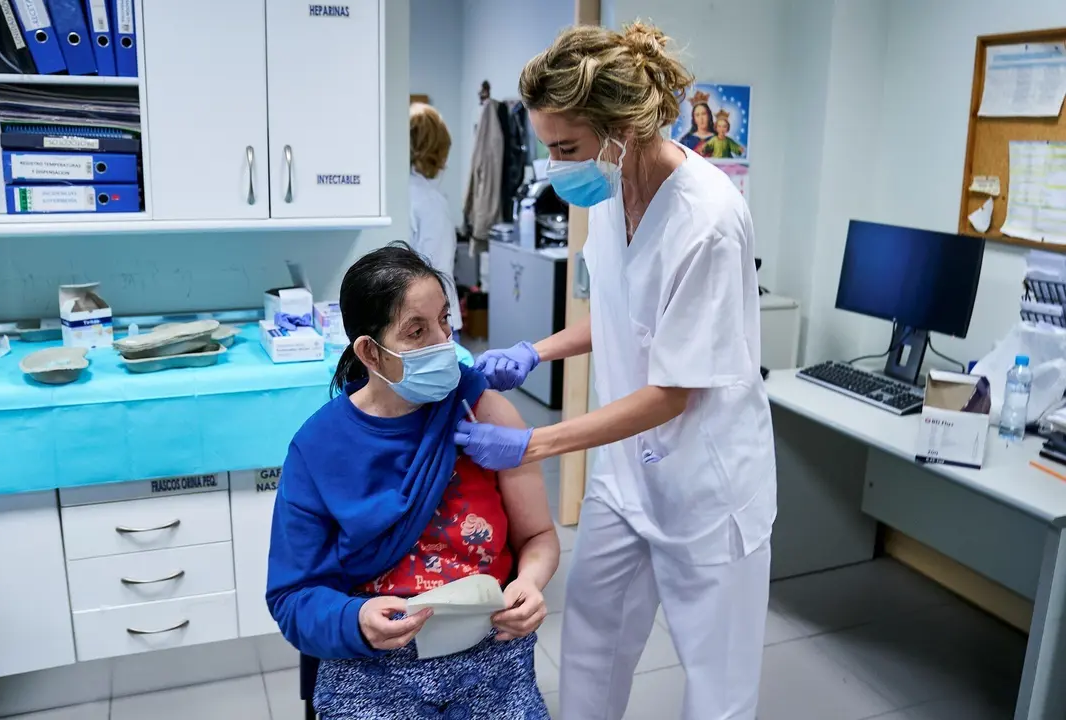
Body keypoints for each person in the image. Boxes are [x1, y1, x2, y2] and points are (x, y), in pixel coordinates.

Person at [454, 21, 776, 720]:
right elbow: (625, 315)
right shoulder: (609, 196)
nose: (553, 166)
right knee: (592, 647)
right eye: (547, 147)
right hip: (627, 478)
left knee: (717, 689)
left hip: (707, 487)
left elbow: (673, 391)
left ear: (621, 129)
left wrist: (533, 445)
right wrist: (534, 352)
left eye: (564, 147)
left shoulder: (708, 221)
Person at [266, 243, 559, 719]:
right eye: (416, 332)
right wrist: (356, 620)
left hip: (493, 652)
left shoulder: (482, 413)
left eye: (444, 321)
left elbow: (540, 537)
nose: (443, 343)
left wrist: (529, 583)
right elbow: (291, 596)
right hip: (373, 665)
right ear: (370, 352)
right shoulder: (319, 448)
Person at [409, 103, 463, 342]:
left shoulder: (396, 194)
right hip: (437, 325)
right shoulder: (430, 202)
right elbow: (436, 271)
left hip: (411, 324)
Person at [677, 89, 715, 157]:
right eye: (697, 115)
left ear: (709, 116)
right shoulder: (686, 140)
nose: (701, 118)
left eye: (703, 114)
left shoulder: (718, 138)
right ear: (694, 119)